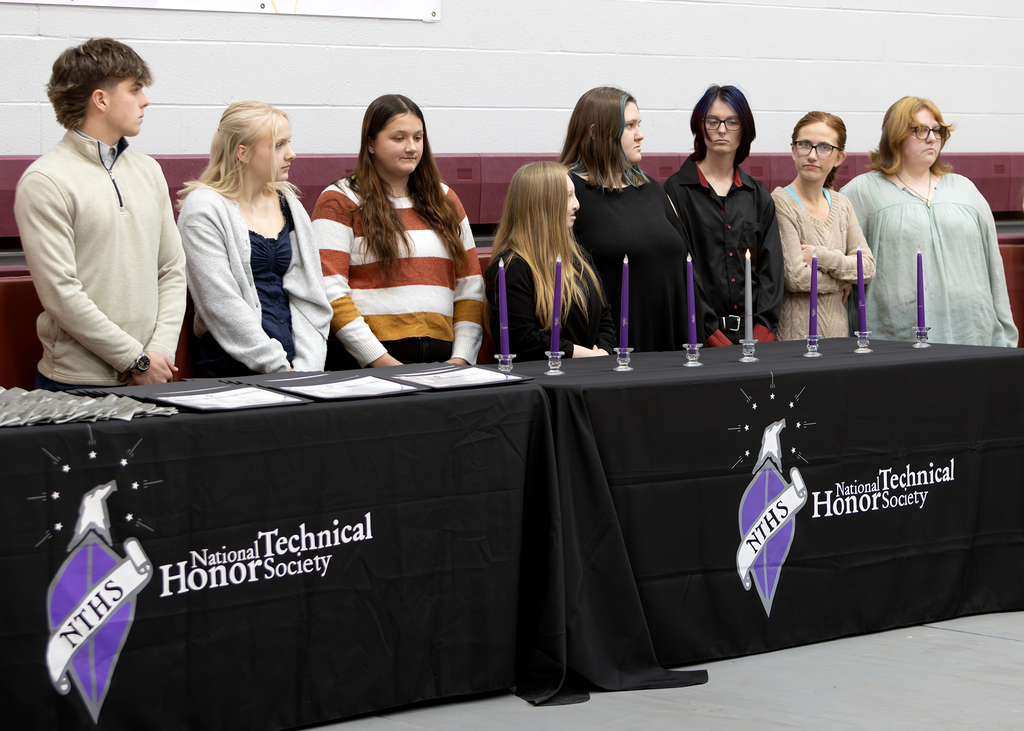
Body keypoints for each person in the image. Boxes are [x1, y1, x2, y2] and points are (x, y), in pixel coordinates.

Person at [14, 38, 186, 390]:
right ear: (101, 99)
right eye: (135, 89)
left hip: (153, 376)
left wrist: (158, 354)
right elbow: (62, 294)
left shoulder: (149, 171)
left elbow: (171, 268)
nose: (145, 100)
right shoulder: (46, 180)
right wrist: (134, 360)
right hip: (77, 385)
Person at [312, 94, 484, 368]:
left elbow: (470, 287)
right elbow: (330, 290)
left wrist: (461, 359)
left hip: (444, 362)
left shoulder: (445, 199)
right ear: (370, 143)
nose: (412, 147)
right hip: (367, 365)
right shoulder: (339, 199)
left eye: (418, 137)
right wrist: (379, 361)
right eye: (398, 138)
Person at [842, 97, 1017, 347]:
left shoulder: (965, 190)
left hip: (972, 333)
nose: (932, 138)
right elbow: (844, 270)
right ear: (896, 136)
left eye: (937, 130)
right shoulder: (862, 192)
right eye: (921, 130)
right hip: (896, 337)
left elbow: (994, 269)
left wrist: (1006, 336)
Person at [557, 86, 720, 352]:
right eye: (630, 126)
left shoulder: (652, 188)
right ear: (596, 133)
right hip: (611, 345)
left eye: (639, 124)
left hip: (674, 336)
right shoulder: (569, 191)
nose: (640, 134)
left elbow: (687, 267)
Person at [177, 102, 332, 377]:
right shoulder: (204, 209)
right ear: (243, 153)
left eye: (289, 143)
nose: (291, 154)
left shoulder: (289, 204)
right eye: (278, 145)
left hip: (299, 365)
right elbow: (221, 305)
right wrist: (279, 368)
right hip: (231, 366)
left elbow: (310, 294)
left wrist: (308, 368)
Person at [664, 84, 783, 346]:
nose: (721, 130)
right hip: (700, 338)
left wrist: (762, 334)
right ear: (700, 126)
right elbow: (682, 272)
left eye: (732, 122)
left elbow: (771, 272)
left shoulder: (757, 194)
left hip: (756, 338)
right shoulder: (675, 191)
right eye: (713, 121)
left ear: (745, 130)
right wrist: (711, 335)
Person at [484, 161, 616, 362]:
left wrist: (603, 352)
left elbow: (605, 320)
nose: (577, 204)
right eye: (568, 196)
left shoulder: (579, 258)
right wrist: (586, 355)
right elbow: (523, 339)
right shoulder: (512, 267)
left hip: (591, 372)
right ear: (543, 205)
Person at [772, 112, 875, 340]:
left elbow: (867, 268)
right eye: (804, 145)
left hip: (838, 336)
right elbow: (796, 277)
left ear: (839, 157)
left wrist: (820, 256)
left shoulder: (842, 204)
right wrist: (846, 278)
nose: (812, 155)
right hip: (795, 337)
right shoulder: (780, 203)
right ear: (793, 150)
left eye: (824, 148)